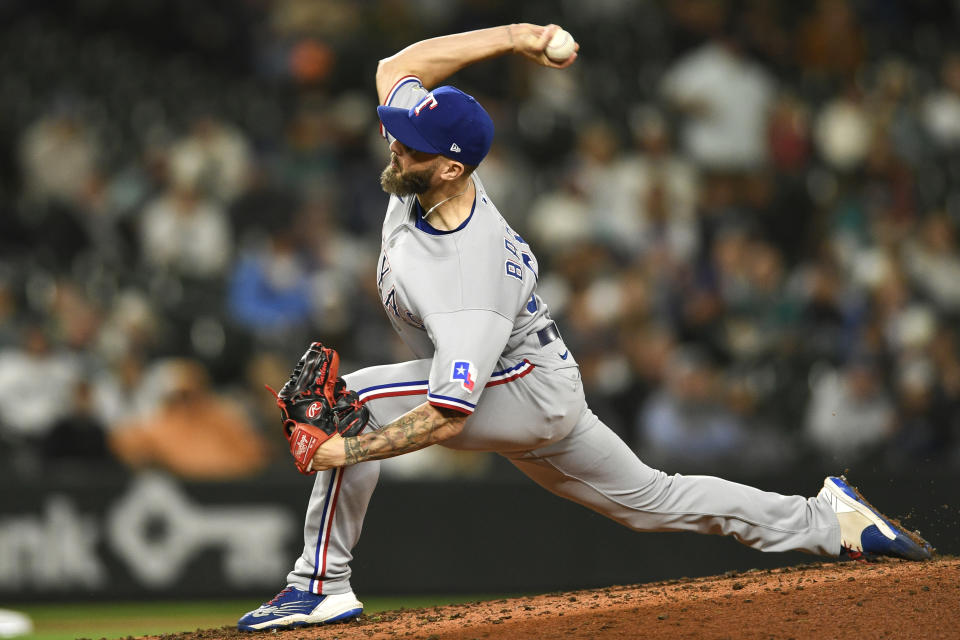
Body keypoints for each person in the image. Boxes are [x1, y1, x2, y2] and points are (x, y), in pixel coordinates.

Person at [238, 24, 932, 631]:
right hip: (541, 379)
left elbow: (449, 414)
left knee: (351, 403)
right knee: (654, 500)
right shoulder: (424, 167)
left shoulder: (468, 272)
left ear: (451, 167)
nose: (395, 149)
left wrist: (344, 454)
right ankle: (830, 520)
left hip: (521, 390)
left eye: (412, 147)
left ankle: (318, 586)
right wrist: (517, 37)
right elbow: (399, 64)